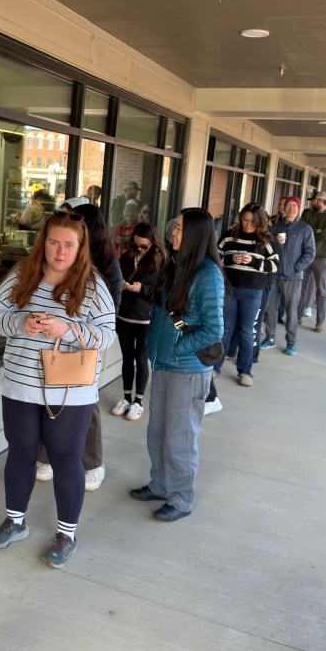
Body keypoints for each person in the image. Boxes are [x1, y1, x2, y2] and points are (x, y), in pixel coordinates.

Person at [0, 211, 116, 567]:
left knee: (66, 461)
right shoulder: (21, 275)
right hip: (19, 385)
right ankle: (15, 521)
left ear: (81, 247)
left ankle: (66, 533)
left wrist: (67, 330)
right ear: (43, 242)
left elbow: (107, 335)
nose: (60, 252)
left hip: (70, 392)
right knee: (20, 454)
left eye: (69, 245)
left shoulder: (93, 285)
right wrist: (21, 323)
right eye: (54, 242)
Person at [130, 208, 223, 522]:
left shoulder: (208, 274)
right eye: (175, 227)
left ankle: (181, 499)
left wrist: (180, 347)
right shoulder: (176, 265)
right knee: (157, 432)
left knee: (180, 439)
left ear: (196, 234)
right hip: (163, 361)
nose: (173, 233)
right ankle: (161, 484)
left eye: (180, 228)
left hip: (188, 369)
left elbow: (214, 329)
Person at [35, 204, 121, 491]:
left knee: (86, 407)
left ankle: (93, 463)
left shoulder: (105, 265)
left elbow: (108, 316)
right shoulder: (53, 260)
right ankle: (47, 456)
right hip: (52, 344)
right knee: (49, 402)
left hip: (84, 348)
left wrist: (77, 328)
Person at [215, 204, 278, 386]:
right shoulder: (229, 235)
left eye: (252, 222)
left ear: (260, 222)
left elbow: (275, 266)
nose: (248, 225)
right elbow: (215, 257)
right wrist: (229, 259)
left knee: (246, 332)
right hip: (230, 289)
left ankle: (245, 371)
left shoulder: (266, 240)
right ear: (240, 218)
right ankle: (215, 367)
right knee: (225, 329)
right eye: (245, 220)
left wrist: (253, 263)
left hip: (253, 292)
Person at [112, 221, 166, 420]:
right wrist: (123, 285)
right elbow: (116, 278)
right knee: (127, 358)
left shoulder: (160, 261)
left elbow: (161, 294)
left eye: (144, 246)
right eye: (136, 245)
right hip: (125, 315)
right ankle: (126, 397)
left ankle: (139, 401)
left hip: (146, 319)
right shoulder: (127, 257)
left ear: (153, 243)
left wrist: (141, 288)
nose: (139, 249)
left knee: (141, 359)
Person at [260, 196, 315, 356]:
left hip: (293, 277)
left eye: (294, 206)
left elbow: (310, 253)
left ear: (298, 209)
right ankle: (270, 338)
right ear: (283, 208)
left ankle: (291, 342)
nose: (291, 208)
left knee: (291, 311)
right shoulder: (275, 228)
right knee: (270, 309)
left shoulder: (305, 229)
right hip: (274, 276)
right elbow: (266, 249)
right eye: (288, 205)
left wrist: (295, 267)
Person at [298, 190, 326, 333]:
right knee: (300, 288)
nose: (311, 202)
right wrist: (317, 231)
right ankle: (297, 317)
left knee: (321, 291)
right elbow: (301, 231)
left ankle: (319, 322)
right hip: (304, 255)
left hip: (321, 257)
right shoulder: (306, 213)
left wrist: (312, 232)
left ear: (321, 201)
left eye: (313, 200)